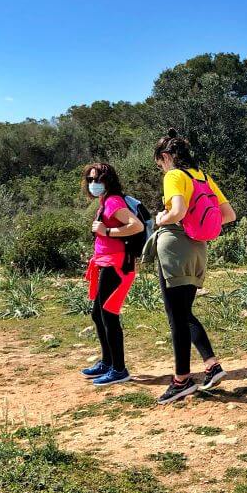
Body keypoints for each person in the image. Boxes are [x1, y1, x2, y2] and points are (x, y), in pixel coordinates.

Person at [150, 129, 237, 404]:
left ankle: (181, 381)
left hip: (176, 248)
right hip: (199, 248)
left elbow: (176, 211)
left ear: (166, 157)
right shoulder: (203, 176)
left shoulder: (174, 176)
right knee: (184, 312)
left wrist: (162, 219)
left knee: (176, 317)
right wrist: (197, 228)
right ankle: (211, 365)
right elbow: (229, 215)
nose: (161, 169)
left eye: (160, 164)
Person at [81, 163, 144, 386]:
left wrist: (106, 231)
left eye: (97, 179)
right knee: (98, 315)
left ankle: (119, 369)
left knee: (108, 315)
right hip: (106, 263)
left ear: (108, 180)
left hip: (117, 265)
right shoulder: (105, 201)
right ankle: (108, 363)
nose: (93, 184)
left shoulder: (114, 201)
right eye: (90, 180)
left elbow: (135, 226)